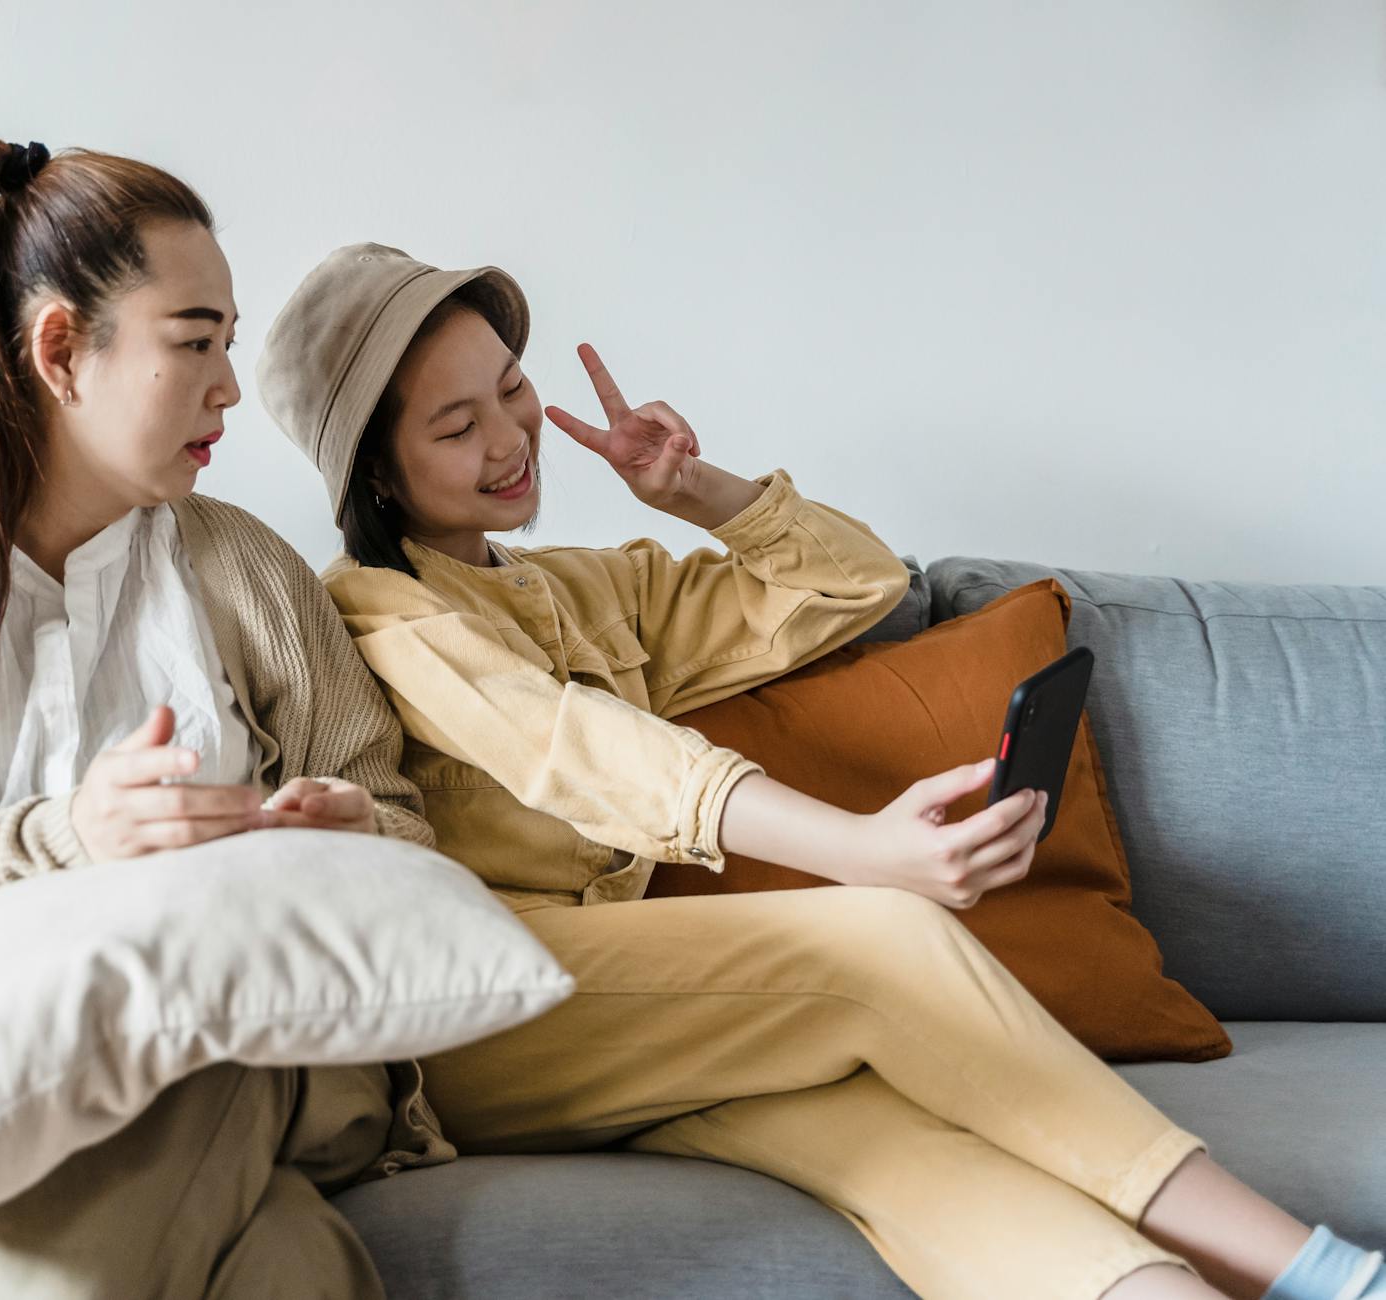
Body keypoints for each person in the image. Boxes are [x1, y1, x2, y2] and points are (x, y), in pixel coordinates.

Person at [255, 240, 1384, 1300]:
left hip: (646, 1018)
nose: (510, 437)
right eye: (457, 426)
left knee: (901, 1146)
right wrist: (862, 853)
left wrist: (693, 490)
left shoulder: (584, 585)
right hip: (493, 1011)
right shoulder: (378, 611)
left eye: (510, 388)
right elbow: (587, 751)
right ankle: (1322, 1271)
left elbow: (858, 590)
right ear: (381, 476)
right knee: (878, 940)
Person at [0, 145, 456, 1300]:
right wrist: (69, 837)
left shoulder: (252, 576)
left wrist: (352, 836)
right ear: (61, 350)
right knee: (291, 1261)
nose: (229, 386)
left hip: (255, 1043)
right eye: (195, 340)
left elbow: (414, 847)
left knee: (201, 1016)